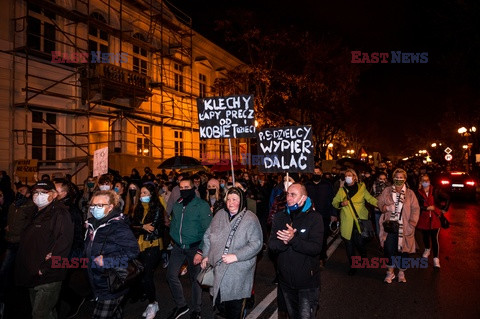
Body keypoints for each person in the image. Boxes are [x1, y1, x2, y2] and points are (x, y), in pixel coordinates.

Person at [15, 180, 74, 319]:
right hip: (32, 272)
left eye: (43, 192)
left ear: (54, 195)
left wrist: (47, 267)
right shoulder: (33, 212)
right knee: (47, 312)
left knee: (39, 314)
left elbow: (63, 244)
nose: (38, 195)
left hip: (48, 275)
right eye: (36, 192)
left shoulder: (60, 214)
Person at [200, 187, 262, 319]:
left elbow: (256, 244)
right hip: (218, 268)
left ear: (242, 201)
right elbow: (207, 236)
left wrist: (236, 256)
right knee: (219, 306)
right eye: (228, 199)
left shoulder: (250, 219)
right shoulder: (219, 215)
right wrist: (206, 254)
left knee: (235, 309)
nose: (230, 202)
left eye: (234, 199)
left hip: (238, 271)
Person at [269, 183, 323, 319]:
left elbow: (316, 248)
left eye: (293, 194)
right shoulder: (280, 217)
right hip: (286, 283)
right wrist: (284, 242)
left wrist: (294, 239)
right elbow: (272, 245)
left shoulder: (314, 218)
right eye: (288, 194)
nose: (289, 198)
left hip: (307, 284)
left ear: (303, 198)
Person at [85, 190, 140, 318]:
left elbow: (133, 252)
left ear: (110, 207)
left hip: (111, 283)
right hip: (97, 281)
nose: (94, 208)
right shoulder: (92, 224)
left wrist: (107, 261)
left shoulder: (118, 227)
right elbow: (88, 249)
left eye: (100, 205)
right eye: (93, 205)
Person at [166, 178, 212, 319]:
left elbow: (209, 231)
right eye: (181, 187)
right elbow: (174, 223)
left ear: (193, 189)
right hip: (179, 248)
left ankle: (196, 310)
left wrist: (201, 251)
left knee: (195, 280)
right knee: (171, 275)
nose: (184, 190)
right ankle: (182, 306)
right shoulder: (178, 205)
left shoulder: (202, 206)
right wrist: (173, 237)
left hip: (195, 248)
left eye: (187, 187)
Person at [332, 169, 378, 275]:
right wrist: (341, 204)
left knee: (359, 243)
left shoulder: (362, 188)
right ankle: (353, 266)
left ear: (354, 177)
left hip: (359, 220)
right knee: (349, 244)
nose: (348, 177)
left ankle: (363, 257)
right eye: (346, 175)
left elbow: (370, 198)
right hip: (347, 221)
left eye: (350, 175)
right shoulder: (342, 190)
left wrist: (380, 204)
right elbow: (334, 202)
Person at [378, 168, 420, 283]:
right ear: (393, 178)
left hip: (405, 227)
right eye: (396, 177)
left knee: (404, 251)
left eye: (401, 177)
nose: (398, 179)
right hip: (390, 227)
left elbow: (416, 209)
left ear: (405, 179)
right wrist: (386, 208)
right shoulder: (387, 191)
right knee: (389, 249)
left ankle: (401, 271)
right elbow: (380, 203)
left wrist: (412, 224)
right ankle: (390, 272)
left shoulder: (410, 194)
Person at [0, 183, 36, 316]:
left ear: (28, 195)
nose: (19, 192)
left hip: (21, 243)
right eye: (18, 190)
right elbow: (9, 218)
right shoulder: (13, 204)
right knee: (5, 269)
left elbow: (30, 222)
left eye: (22, 191)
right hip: (10, 241)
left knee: (21, 269)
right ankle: (5, 294)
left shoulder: (30, 206)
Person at [130, 184, 165, 319]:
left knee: (146, 275)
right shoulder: (138, 208)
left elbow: (151, 227)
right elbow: (132, 225)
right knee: (141, 274)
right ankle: (149, 300)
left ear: (151, 194)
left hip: (152, 244)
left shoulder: (157, 208)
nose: (142, 196)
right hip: (139, 245)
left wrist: (140, 226)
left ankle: (153, 303)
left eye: (145, 193)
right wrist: (141, 226)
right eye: (141, 193)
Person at [415, 174, 450, 269]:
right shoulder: (418, 192)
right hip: (424, 218)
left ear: (429, 181)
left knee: (434, 238)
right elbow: (416, 205)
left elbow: (447, 198)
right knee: (425, 236)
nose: (426, 182)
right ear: (420, 182)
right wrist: (426, 208)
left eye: (427, 180)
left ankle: (436, 259)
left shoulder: (435, 190)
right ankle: (427, 249)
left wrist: (444, 209)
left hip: (435, 217)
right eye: (423, 180)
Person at [305, 167, 337, 266]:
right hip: (309, 215)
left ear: (321, 173)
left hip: (324, 215)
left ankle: (321, 257)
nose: (316, 174)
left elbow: (333, 200)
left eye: (318, 172)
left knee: (322, 238)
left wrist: (333, 214)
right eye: (314, 172)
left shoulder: (327, 185)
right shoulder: (306, 185)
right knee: (309, 237)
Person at [371, 172, 390, 236]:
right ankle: (380, 241)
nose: (382, 180)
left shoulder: (389, 186)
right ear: (378, 179)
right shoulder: (374, 185)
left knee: (386, 227)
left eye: (384, 179)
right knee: (378, 226)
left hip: (387, 210)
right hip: (377, 209)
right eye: (381, 179)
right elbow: (371, 196)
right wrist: (376, 198)